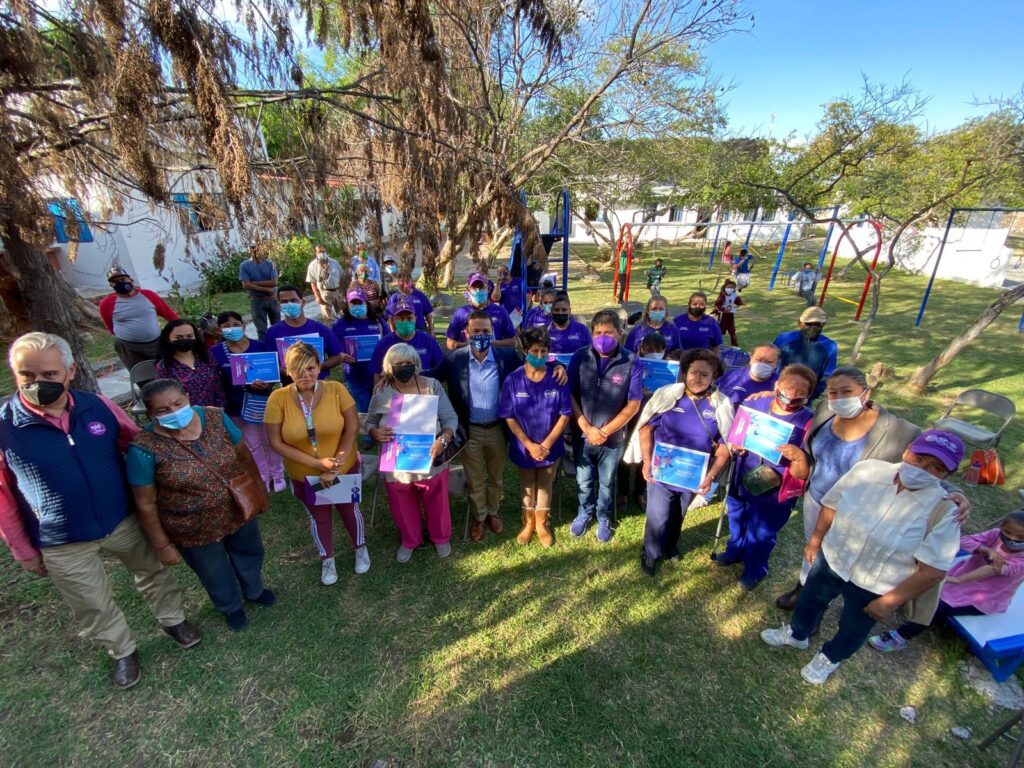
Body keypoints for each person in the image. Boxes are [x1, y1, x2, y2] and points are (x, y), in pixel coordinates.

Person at [0, 332, 200, 689]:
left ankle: (173, 620)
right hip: (62, 538)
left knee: (153, 573)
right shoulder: (5, 427)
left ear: (70, 371)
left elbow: (137, 443)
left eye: (49, 374)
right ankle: (122, 650)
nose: (37, 383)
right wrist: (22, 549)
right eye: (26, 375)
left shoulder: (98, 407)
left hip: (122, 519)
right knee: (91, 601)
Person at [760, 430, 965, 686]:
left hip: (877, 584)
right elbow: (831, 504)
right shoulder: (868, 470)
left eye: (936, 467)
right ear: (907, 450)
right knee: (809, 600)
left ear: (948, 475)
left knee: (854, 627)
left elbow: (933, 570)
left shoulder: (946, 510)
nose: (922, 469)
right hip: (834, 558)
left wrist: (889, 602)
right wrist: (815, 540)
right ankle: (796, 634)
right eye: (919, 458)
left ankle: (829, 658)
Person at [773, 366, 972, 610]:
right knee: (813, 545)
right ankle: (804, 587)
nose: (839, 398)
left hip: (856, 510)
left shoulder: (901, 431)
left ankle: (831, 598)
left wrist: (957, 492)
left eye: (847, 391)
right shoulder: (825, 410)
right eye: (833, 392)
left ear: (865, 393)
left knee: (844, 555)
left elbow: (926, 466)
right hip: (817, 497)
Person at [126, 380, 274, 632]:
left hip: (239, 507)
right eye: (163, 410)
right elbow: (145, 502)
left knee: (250, 550)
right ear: (150, 414)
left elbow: (244, 456)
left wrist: (259, 493)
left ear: (187, 397)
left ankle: (254, 589)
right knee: (212, 569)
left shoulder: (216, 418)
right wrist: (162, 545)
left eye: (177, 403)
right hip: (191, 525)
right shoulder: (143, 448)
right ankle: (231, 606)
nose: (173, 411)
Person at [265, 343, 369, 584]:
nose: (305, 375)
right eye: (298, 370)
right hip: (306, 475)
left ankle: (360, 547)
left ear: (319, 367)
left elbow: (352, 428)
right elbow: (276, 442)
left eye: (310, 368)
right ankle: (327, 558)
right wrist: (318, 463)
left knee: (349, 510)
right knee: (319, 517)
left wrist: (334, 466)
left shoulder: (336, 389)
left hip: (342, 468)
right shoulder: (277, 399)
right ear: (288, 371)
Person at [625, 349, 734, 575]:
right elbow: (646, 429)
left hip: (693, 474)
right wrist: (647, 461)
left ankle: (669, 545)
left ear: (714, 376)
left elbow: (725, 447)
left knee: (679, 512)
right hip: (662, 469)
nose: (698, 379)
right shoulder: (667, 395)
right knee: (658, 514)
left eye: (704, 374)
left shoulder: (721, 405)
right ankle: (650, 551)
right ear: (685, 372)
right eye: (693, 372)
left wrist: (711, 476)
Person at [869, 510, 1024, 653]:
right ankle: (890, 601)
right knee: (921, 581)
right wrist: (986, 550)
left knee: (937, 607)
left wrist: (959, 580)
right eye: (1007, 532)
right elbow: (963, 541)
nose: (1012, 538)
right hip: (957, 578)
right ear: (1001, 527)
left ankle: (900, 637)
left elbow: (996, 569)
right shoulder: (995, 535)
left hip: (984, 598)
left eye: (1020, 537)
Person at [720, 364, 817, 590]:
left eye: (801, 392)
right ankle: (735, 550)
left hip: (776, 489)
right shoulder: (753, 405)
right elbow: (734, 437)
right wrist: (735, 444)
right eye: (788, 387)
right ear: (777, 385)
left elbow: (805, 472)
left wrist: (798, 457)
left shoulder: (808, 422)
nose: (792, 394)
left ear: (809, 395)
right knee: (736, 516)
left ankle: (755, 568)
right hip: (742, 476)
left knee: (762, 532)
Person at [366, 344, 459, 562]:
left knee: (436, 499)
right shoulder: (381, 392)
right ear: (389, 367)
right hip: (396, 462)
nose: (405, 367)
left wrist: (443, 440)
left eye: (409, 363)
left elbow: (450, 418)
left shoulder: (432, 386)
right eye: (399, 364)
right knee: (401, 502)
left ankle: (440, 537)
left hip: (430, 457)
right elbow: (369, 422)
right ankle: (410, 539)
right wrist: (374, 432)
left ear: (416, 364)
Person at [442, 310, 522, 542]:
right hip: (470, 430)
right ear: (466, 333)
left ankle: (493, 512)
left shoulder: (507, 357)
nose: (481, 335)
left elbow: (532, 368)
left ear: (492, 332)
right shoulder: (454, 359)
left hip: (498, 429)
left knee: (496, 476)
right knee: (474, 477)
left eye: (485, 331)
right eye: (475, 331)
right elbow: (431, 376)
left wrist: (556, 366)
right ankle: (480, 516)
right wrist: (394, 375)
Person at [567, 309, 643, 542]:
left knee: (607, 482)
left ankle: (603, 517)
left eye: (608, 332)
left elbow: (633, 404)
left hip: (613, 439)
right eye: (598, 332)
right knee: (584, 480)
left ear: (620, 332)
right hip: (583, 436)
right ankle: (584, 512)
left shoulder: (631, 361)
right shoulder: (580, 356)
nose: (602, 337)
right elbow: (569, 395)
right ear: (591, 334)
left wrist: (604, 432)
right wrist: (586, 428)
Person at [498, 327, 572, 548]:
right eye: (534, 351)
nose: (539, 356)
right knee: (528, 485)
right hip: (524, 446)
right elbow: (508, 416)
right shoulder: (513, 379)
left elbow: (565, 414)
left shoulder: (558, 377)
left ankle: (542, 523)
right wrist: (529, 445)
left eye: (543, 351)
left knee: (545, 484)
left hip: (551, 445)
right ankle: (527, 522)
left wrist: (546, 444)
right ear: (524, 351)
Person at [209, 311, 286, 491]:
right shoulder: (215, 353)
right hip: (236, 405)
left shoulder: (260, 347)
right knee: (251, 444)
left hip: (264, 403)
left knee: (270, 439)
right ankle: (262, 476)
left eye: (236, 324)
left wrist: (267, 385)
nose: (232, 329)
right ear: (219, 330)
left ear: (244, 325)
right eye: (226, 326)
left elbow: (273, 372)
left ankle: (278, 474)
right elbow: (215, 380)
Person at [617, 331, 667, 512]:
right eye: (650, 349)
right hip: (632, 417)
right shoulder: (632, 365)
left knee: (647, 455)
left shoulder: (669, 370)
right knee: (625, 455)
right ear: (642, 349)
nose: (654, 352)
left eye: (658, 350)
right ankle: (622, 492)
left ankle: (639, 491)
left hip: (654, 419)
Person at [98, 266, 179, 371]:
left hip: (155, 344)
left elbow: (170, 315)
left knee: (164, 371)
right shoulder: (106, 304)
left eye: (122, 279)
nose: (120, 283)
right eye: (115, 282)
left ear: (131, 280)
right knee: (141, 375)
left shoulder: (148, 295)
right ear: (111, 285)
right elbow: (110, 326)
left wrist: (181, 330)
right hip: (128, 347)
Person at [263, 284, 344, 381]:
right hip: (289, 385)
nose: (289, 304)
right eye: (284, 301)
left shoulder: (320, 329)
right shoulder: (272, 333)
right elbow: (270, 363)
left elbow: (337, 356)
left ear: (303, 302)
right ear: (279, 305)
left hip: (318, 383)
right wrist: (291, 371)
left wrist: (316, 367)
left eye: (293, 300)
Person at [332, 287, 386, 413]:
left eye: (359, 303)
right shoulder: (340, 324)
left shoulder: (377, 321)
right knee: (364, 408)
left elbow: (388, 342)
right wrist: (341, 355)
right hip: (355, 375)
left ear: (366, 303)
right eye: (353, 303)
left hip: (378, 374)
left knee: (381, 408)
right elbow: (332, 346)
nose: (357, 306)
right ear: (347, 305)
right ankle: (366, 426)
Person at [370, 297, 444, 383]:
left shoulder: (428, 341)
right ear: (393, 320)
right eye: (401, 318)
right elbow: (377, 375)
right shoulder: (384, 343)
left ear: (415, 319)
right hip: (396, 389)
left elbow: (440, 369)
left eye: (409, 318)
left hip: (424, 387)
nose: (405, 322)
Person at [154, 319, 226, 408]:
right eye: (178, 337)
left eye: (189, 336)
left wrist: (220, 408)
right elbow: (164, 395)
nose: (185, 339)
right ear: (168, 339)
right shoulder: (164, 366)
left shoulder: (206, 357)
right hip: (185, 413)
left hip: (213, 411)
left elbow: (217, 385)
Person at [772, 306, 837, 402]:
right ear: (800, 323)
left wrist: (809, 396)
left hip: (804, 398)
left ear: (823, 325)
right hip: (778, 392)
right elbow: (771, 362)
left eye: (817, 325)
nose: (812, 328)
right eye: (808, 324)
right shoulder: (784, 339)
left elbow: (827, 375)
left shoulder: (830, 346)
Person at [446, 272, 516, 350]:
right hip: (467, 356)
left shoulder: (500, 311)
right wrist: (468, 345)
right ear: (468, 290)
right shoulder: (460, 313)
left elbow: (512, 341)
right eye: (474, 287)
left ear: (488, 289)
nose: (478, 290)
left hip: (495, 356)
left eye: (481, 287)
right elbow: (450, 343)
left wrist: (491, 343)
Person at [715, 344, 780, 409]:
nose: (762, 364)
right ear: (751, 358)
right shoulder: (732, 375)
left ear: (777, 363)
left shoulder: (780, 384)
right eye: (758, 360)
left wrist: (774, 395)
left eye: (769, 362)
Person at [237, 242, 280, 340]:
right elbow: (246, 285)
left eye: (258, 248)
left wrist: (254, 283)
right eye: (253, 248)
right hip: (256, 301)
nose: (256, 250)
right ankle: (264, 348)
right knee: (261, 331)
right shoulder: (244, 265)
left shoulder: (270, 264)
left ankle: (279, 347)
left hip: (272, 300)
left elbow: (273, 282)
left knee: (277, 327)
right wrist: (266, 289)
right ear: (250, 250)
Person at [305, 244, 345, 322]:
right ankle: (329, 329)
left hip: (337, 291)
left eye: (323, 251)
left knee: (342, 315)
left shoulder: (334, 262)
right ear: (316, 253)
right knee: (328, 319)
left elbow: (342, 276)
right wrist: (317, 297)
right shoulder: (312, 265)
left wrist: (343, 292)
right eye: (319, 252)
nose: (322, 253)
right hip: (325, 293)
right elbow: (312, 282)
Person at [713, 278, 744, 347]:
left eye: (732, 288)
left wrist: (740, 303)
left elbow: (737, 300)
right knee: (721, 330)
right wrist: (723, 309)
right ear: (725, 288)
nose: (730, 289)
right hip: (722, 315)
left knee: (732, 330)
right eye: (728, 287)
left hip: (730, 315)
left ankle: (734, 346)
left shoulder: (734, 295)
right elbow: (717, 306)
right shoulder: (722, 296)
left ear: (734, 289)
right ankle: (718, 345)